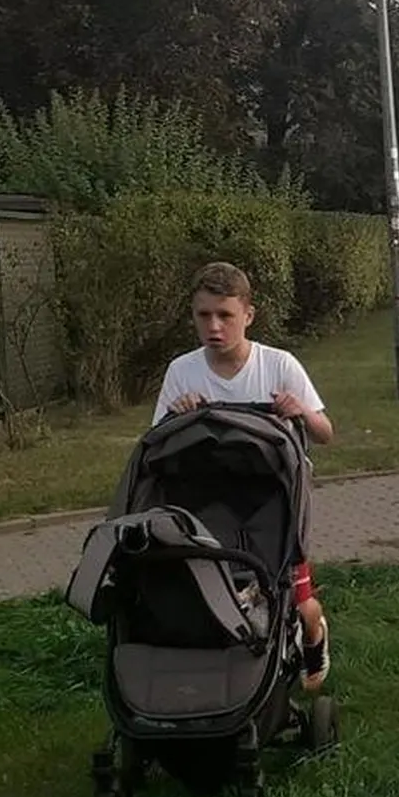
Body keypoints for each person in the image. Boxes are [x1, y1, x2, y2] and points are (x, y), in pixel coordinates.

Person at [153, 261, 335, 690]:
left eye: (225, 316)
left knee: (299, 602)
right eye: (204, 316)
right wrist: (175, 416)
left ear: (247, 316)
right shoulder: (182, 372)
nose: (214, 327)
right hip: (207, 504)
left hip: (275, 504)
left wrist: (302, 412)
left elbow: (326, 433)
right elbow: (156, 445)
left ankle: (314, 633)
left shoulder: (278, 365)